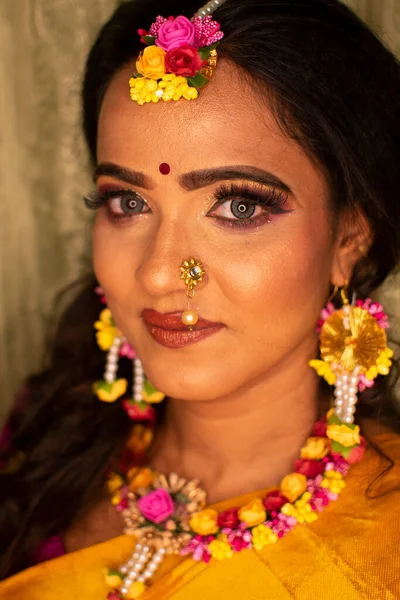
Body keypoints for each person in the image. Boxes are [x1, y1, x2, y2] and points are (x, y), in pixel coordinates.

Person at [0, 0, 399, 598]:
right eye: (127, 203)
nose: (160, 274)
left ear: (351, 235)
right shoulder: (50, 431)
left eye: (239, 206)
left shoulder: (383, 545)